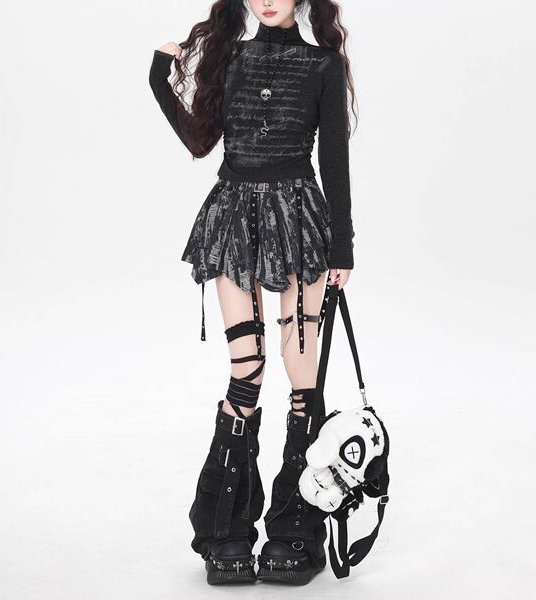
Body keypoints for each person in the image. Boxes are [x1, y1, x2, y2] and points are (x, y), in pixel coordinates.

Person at [148, 0, 357, 585]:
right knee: (246, 371)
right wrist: (160, 81)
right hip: (234, 218)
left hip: (300, 221)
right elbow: (200, 142)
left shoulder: (323, 65)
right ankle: (226, 530)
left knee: (302, 377)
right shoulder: (230, 56)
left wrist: (342, 247)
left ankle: (296, 529)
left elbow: (334, 158)